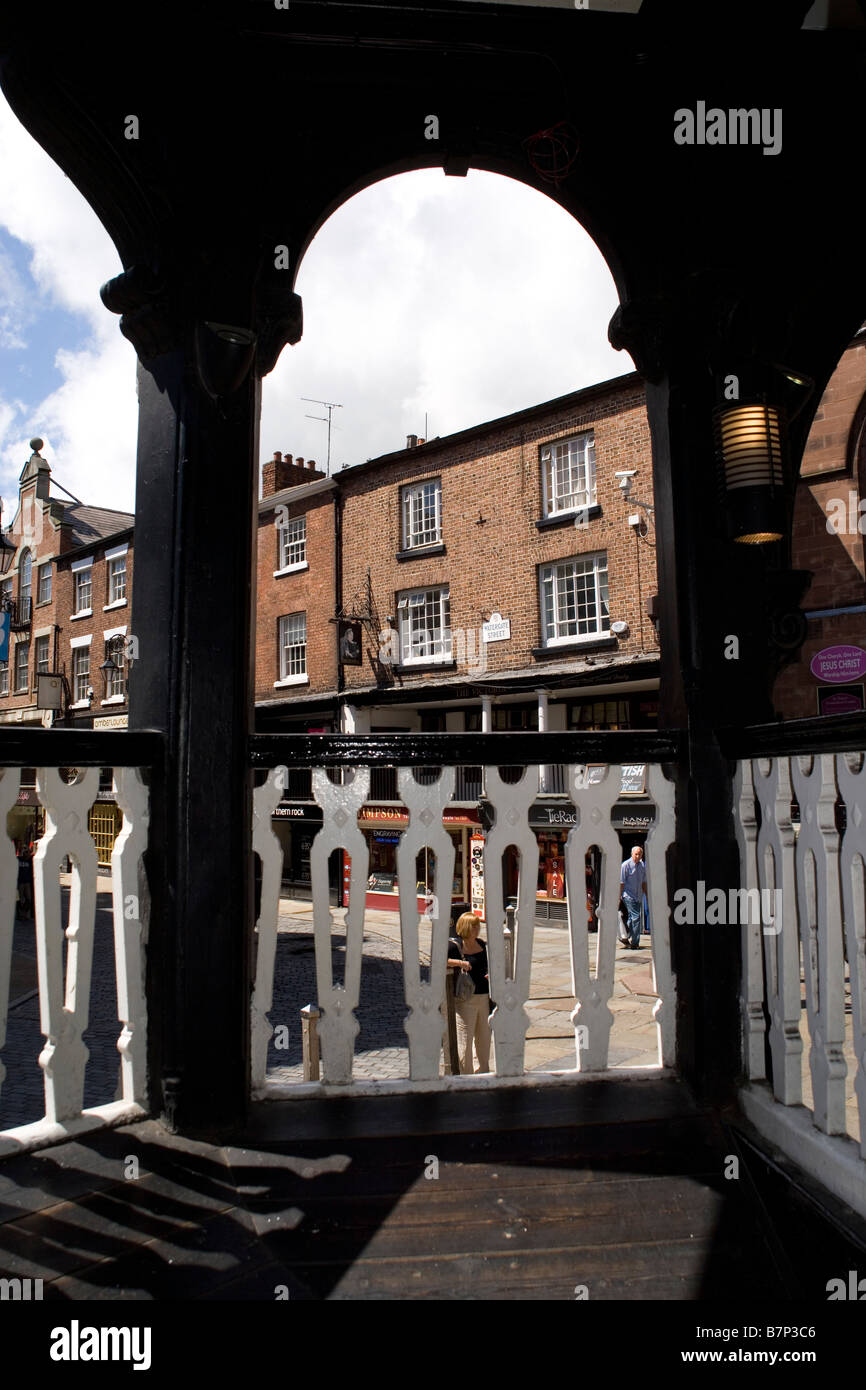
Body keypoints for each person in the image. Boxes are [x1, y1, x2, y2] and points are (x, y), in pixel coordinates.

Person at [447, 911, 492, 1074]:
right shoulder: (455, 945)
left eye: (478, 925)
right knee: (465, 1039)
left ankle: (483, 1070)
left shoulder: (481, 944)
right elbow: (440, 960)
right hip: (466, 999)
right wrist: (460, 963)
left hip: (484, 996)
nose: (477, 929)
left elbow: (487, 964)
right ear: (466, 927)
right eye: (474, 926)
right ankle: (466, 1074)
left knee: (484, 1037)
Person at [619, 844, 647, 949]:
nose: (638, 856)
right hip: (628, 895)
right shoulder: (625, 865)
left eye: (640, 854)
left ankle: (626, 934)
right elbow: (621, 882)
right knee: (636, 917)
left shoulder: (642, 865)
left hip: (639, 895)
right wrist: (619, 896)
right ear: (632, 854)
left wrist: (646, 894)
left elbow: (644, 881)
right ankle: (635, 943)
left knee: (632, 918)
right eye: (636, 854)